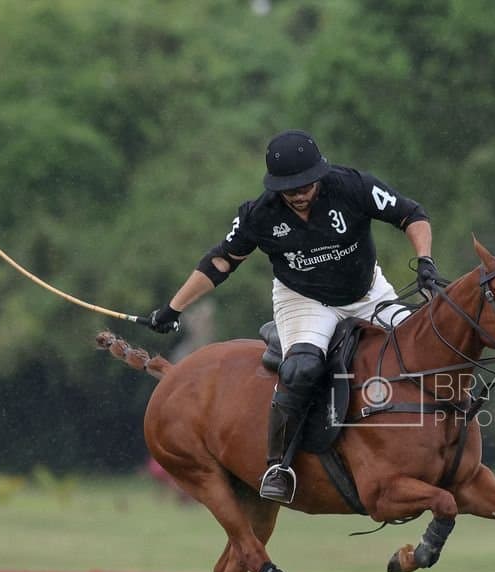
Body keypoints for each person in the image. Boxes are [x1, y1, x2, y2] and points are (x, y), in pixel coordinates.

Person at [146, 129, 441, 504]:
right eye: (290, 188)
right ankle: (279, 464)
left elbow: (411, 214)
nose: (299, 194)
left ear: (319, 175)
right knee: (301, 367)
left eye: (305, 185)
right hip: (304, 300)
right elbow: (221, 260)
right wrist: (174, 308)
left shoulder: (352, 186)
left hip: (368, 293)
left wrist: (426, 262)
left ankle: (444, 439)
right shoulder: (260, 214)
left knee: (425, 347)